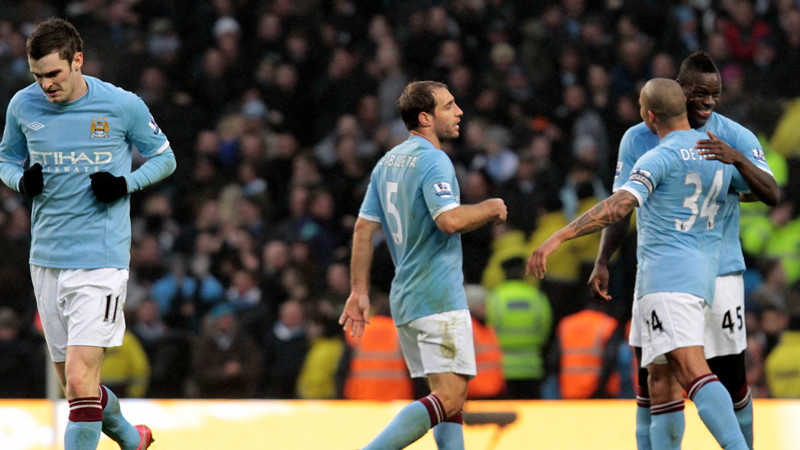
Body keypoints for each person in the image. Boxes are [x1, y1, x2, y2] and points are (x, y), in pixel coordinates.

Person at [528, 78, 750, 450]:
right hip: (701, 276)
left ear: (649, 116)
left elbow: (620, 205)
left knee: (693, 370)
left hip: (668, 277)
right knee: (658, 380)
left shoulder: (658, 156)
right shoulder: (716, 154)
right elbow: (753, 192)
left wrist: (560, 236)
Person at [588, 51, 779, 449]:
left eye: (716, 94)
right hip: (658, 272)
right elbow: (622, 206)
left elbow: (772, 193)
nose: (709, 102)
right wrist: (604, 258)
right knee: (655, 380)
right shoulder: (639, 136)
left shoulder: (734, 136)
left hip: (722, 270)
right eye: (700, 94)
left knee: (731, 376)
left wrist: (738, 160)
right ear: (678, 91)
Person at [0, 18, 176, 450]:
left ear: (77, 61)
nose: (46, 85)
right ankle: (133, 439)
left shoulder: (121, 105)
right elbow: (5, 159)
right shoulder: (23, 106)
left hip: (100, 256)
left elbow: (165, 157)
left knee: (80, 380)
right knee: (78, 389)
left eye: (54, 74)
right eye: (37, 75)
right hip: (46, 257)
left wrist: (125, 183)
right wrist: (21, 182)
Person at [339, 80, 507, 449]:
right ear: (425, 118)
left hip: (408, 299)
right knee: (448, 399)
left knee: (449, 403)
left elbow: (364, 228)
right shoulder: (435, 160)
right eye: (449, 106)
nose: (459, 111)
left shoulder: (388, 162)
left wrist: (358, 290)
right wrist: (491, 207)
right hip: (437, 297)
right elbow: (449, 220)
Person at [485, 257, 551, 399]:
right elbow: (545, 330)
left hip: (502, 368)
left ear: (504, 273)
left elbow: (487, 331)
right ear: (523, 273)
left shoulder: (494, 298)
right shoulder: (537, 297)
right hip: (532, 367)